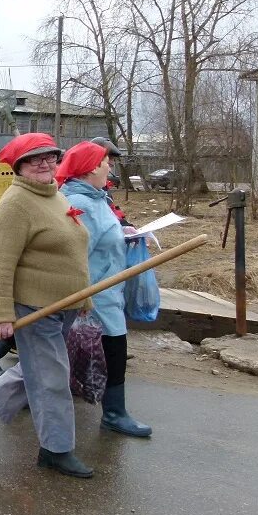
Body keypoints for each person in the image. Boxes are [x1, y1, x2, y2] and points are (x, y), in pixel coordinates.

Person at [0, 133, 94, 479]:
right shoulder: (16, 204)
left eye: (50, 156)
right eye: (35, 159)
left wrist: (83, 296)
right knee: (53, 378)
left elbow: (73, 250)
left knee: (39, 368)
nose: (45, 163)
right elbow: (1, 264)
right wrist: (2, 314)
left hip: (64, 304)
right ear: (18, 166)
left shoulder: (54, 194)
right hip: (34, 307)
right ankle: (56, 450)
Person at [57, 141, 152, 438]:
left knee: (108, 353)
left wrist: (123, 233)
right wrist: (82, 297)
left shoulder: (96, 198)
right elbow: (77, 254)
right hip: (95, 294)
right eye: (103, 162)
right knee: (110, 352)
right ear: (88, 169)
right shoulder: (80, 203)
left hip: (109, 290)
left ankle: (113, 411)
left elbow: (102, 235)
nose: (109, 166)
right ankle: (114, 414)